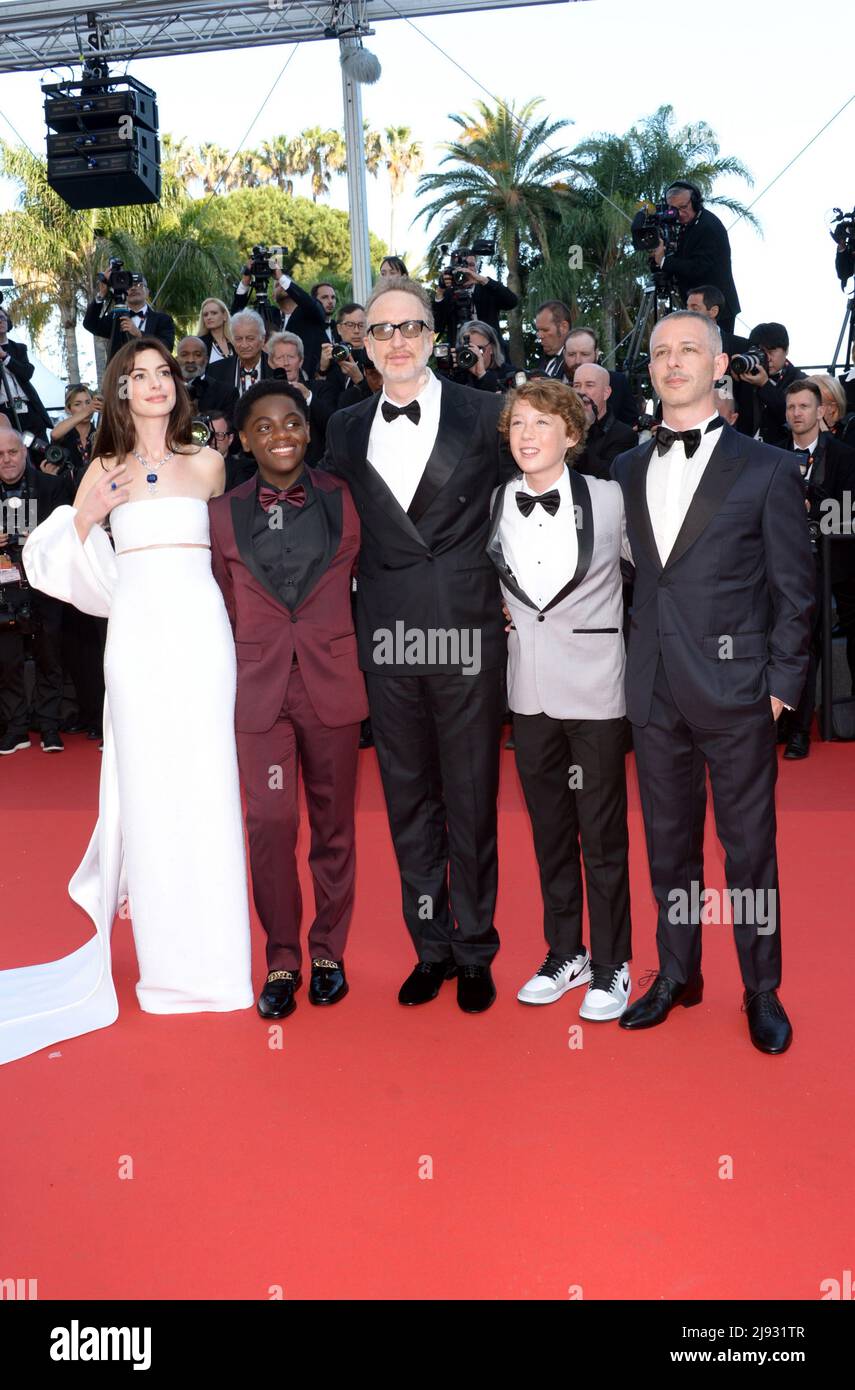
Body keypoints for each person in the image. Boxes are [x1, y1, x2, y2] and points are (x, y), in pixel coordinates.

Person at [2, 337, 253, 1066]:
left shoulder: (208, 465)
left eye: (162, 373)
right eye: (136, 376)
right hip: (138, 642)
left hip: (203, 641)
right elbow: (48, 561)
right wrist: (87, 517)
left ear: (177, 385)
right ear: (119, 391)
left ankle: (219, 967)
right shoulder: (102, 469)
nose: (151, 385)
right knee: (150, 792)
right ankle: (168, 971)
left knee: (207, 789)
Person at [612, 310, 814, 1054]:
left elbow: (795, 590)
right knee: (667, 847)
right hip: (653, 687)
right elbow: (636, 578)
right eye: (661, 351)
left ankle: (761, 988)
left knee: (747, 850)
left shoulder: (765, 467)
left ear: (719, 363)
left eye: (687, 350)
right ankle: (676, 973)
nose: (671, 362)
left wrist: (780, 688)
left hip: (736, 691)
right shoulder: (627, 468)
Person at [322, 276, 514, 1014]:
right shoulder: (341, 427)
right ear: (361, 343)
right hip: (388, 634)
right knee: (407, 799)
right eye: (380, 331)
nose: (396, 341)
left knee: (470, 796)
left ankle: (475, 950)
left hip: (466, 629)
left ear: (432, 335)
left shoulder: (486, 413)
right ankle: (429, 947)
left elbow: (523, 507)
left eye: (409, 327)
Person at [209, 380, 368, 1021]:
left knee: (335, 827)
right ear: (244, 439)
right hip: (259, 690)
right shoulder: (219, 513)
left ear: (309, 430)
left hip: (331, 684)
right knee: (271, 825)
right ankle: (282, 956)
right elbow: (219, 600)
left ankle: (328, 950)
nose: (281, 434)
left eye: (293, 422)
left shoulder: (343, 499)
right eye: (265, 425)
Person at [488, 379, 633, 1019]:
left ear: (570, 436)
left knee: (601, 835)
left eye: (542, 423)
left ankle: (612, 965)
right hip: (529, 689)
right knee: (550, 831)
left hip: (596, 685)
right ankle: (565, 951)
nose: (526, 434)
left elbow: (655, 570)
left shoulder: (611, 499)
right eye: (518, 422)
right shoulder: (495, 501)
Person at [779, 380, 855, 760]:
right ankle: (788, 724)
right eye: (791, 407)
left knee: (810, 645)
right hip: (783, 566)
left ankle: (800, 731)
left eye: (804, 406)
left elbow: (845, 513)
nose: (797, 413)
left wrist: (810, 496)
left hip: (830, 565)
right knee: (794, 646)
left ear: (820, 411)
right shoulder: (772, 456)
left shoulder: (843, 456)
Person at [0, 427, 70, 754]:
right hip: (4, 591)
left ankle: (49, 726)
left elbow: (68, 534)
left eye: (12, 452)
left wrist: (34, 536)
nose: (6, 460)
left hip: (46, 584)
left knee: (50, 657)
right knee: (8, 662)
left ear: (25, 451)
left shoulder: (52, 486)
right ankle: (16, 728)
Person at [650, 181, 740, 332]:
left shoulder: (708, 226)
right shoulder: (689, 224)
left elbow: (698, 267)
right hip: (698, 307)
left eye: (684, 207)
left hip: (716, 309)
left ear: (696, 202)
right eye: (674, 209)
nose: (679, 213)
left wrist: (664, 261)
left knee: (714, 352)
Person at [232, 266, 327, 377]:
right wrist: (245, 282)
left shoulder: (309, 313)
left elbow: (310, 304)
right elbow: (236, 316)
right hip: (272, 375)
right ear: (273, 295)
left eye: (285, 284)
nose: (282, 286)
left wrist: (280, 277)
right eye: (277, 285)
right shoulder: (269, 314)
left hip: (304, 376)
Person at [685, 285, 754, 437]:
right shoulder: (681, 347)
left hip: (734, 433)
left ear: (713, 311)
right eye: (687, 307)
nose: (687, 313)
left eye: (695, 308)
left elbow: (748, 397)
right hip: (690, 431)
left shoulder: (741, 346)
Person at [731, 321, 805, 447]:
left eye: (772, 351)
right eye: (762, 352)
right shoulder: (747, 373)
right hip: (743, 448)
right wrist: (734, 375)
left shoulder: (800, 380)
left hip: (780, 452)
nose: (768, 358)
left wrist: (765, 385)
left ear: (786, 350)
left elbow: (790, 415)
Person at [83, 272, 175, 362]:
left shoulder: (163, 319)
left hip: (150, 371)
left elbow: (167, 347)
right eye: (129, 285)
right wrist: (101, 295)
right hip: (121, 373)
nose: (134, 288)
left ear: (147, 292)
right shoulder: (116, 317)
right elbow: (90, 324)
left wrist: (139, 334)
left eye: (139, 285)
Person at [433, 251, 518, 346]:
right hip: (458, 354)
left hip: (491, 352)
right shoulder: (448, 294)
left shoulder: (487, 289)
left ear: (476, 268)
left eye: (470, 265)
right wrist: (440, 291)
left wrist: (483, 280)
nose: (466, 269)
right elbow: (436, 327)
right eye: (460, 265)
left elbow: (512, 302)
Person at [561, 327, 638, 427]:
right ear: (564, 354)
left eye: (585, 354)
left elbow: (631, 424)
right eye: (571, 354)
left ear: (596, 354)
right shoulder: (554, 385)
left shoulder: (617, 382)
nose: (578, 361)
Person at [571, 362, 636, 479]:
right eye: (576, 385)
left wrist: (580, 433)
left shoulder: (624, 435)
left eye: (589, 385)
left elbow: (607, 477)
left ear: (606, 393)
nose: (581, 392)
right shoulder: (563, 428)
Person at [0, 308, 53, 437]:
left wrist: (5, 357)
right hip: (4, 412)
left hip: (27, 407)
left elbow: (27, 373)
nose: (0, 321)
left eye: (2, 317)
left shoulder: (19, 348)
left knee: (39, 448)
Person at [206, 310, 273, 406]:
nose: (244, 345)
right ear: (232, 340)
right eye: (239, 339)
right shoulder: (215, 371)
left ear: (262, 339)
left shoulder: (276, 368)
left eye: (250, 339)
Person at [50, 384, 101, 483]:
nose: (85, 407)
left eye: (88, 403)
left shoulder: (98, 433)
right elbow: (54, 434)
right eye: (78, 404)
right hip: (67, 490)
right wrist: (88, 410)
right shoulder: (64, 433)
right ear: (68, 409)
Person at [176, 336, 236, 417]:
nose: (190, 360)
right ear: (176, 359)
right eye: (184, 355)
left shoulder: (226, 393)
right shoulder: (166, 389)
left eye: (197, 355)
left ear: (206, 360)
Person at [534, 301, 573, 377]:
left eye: (545, 330)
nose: (540, 336)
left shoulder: (577, 360)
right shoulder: (543, 360)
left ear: (564, 327)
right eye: (538, 330)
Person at [197, 298, 235, 365]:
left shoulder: (235, 341)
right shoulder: (199, 344)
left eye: (214, 313)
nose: (209, 317)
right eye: (205, 315)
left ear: (224, 316)